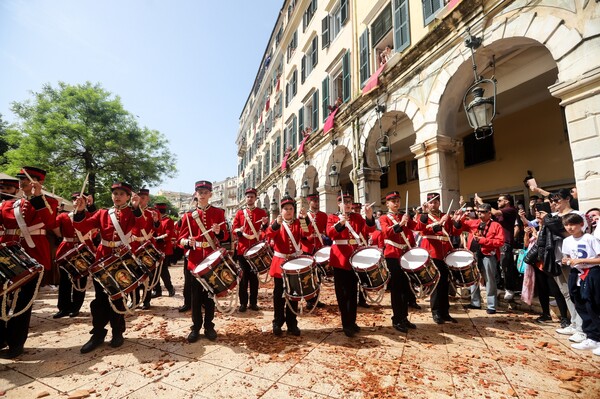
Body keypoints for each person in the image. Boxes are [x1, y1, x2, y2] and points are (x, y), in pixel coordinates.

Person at [73, 182, 144, 354]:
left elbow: (142, 227)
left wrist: (136, 208)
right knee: (100, 300)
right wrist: (80, 211)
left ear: (128, 196)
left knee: (118, 298)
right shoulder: (103, 213)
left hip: (122, 261)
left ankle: (117, 332)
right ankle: (97, 334)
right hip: (103, 259)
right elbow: (82, 226)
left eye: (121, 193)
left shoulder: (132, 213)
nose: (117, 196)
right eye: (115, 193)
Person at [0, 168, 58, 359]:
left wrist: (37, 196)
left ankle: (16, 344)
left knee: (22, 301)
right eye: (20, 179)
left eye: (26, 179)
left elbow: (50, 222)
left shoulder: (48, 202)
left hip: (31, 257)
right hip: (8, 256)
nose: (22, 182)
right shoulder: (7, 204)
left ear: (38, 182)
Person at [178, 180, 229, 343]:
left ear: (210, 194)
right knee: (195, 296)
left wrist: (219, 232)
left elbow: (226, 237)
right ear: (196, 194)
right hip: (195, 259)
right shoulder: (187, 215)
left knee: (210, 295)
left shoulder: (219, 213)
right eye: (200, 192)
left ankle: (209, 326)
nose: (202, 194)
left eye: (205, 192)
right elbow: (180, 239)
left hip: (211, 259)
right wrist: (188, 242)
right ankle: (196, 327)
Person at [327, 192, 376, 337]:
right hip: (340, 258)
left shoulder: (357, 217)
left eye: (349, 202)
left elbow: (369, 230)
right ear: (339, 204)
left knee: (353, 291)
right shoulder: (333, 217)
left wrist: (368, 216)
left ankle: (352, 321)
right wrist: (340, 223)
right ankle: (346, 323)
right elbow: (330, 233)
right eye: (344, 202)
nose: (347, 204)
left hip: (354, 258)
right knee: (342, 293)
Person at [266, 195, 312, 336]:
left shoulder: (298, 222)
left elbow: (307, 233)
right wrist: (276, 225)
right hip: (280, 263)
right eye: (286, 209)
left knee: (294, 295)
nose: (288, 211)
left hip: (294, 263)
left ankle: (292, 323)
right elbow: (268, 235)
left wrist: (305, 219)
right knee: (279, 295)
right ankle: (277, 322)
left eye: (291, 208)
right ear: (281, 210)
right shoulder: (276, 223)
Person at [413, 193, 457, 324]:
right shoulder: (423, 216)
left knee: (445, 283)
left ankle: (445, 312)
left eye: (436, 202)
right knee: (436, 284)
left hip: (445, 253)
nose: (433, 204)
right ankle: (436, 312)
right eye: (431, 202)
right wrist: (438, 224)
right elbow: (420, 229)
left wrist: (457, 221)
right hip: (433, 253)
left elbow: (453, 232)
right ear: (427, 204)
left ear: (439, 203)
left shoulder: (445, 216)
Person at [52, 192, 96, 319]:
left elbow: (95, 222)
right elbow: (52, 225)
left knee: (80, 279)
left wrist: (91, 205)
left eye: (81, 199)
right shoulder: (64, 216)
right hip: (66, 249)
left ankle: (75, 307)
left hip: (83, 248)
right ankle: (63, 308)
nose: (77, 201)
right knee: (64, 281)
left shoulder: (89, 215)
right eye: (75, 199)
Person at [560, 213, 600, 354]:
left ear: (581, 225)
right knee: (579, 302)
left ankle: (598, 336)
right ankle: (591, 336)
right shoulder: (567, 241)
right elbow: (568, 257)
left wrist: (584, 261)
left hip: (591, 272)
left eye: (573, 224)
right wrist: (566, 260)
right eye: (567, 225)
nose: (570, 228)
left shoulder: (590, 239)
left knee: (592, 304)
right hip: (575, 272)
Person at [454, 203, 504, 314]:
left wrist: (483, 241)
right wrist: (459, 218)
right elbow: (460, 227)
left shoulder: (496, 225)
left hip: (488, 254)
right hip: (474, 254)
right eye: (478, 211)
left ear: (489, 213)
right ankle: (475, 302)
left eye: (482, 212)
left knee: (489, 280)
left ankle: (491, 305)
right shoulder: (474, 223)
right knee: (473, 278)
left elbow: (500, 242)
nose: (479, 213)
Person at [379, 191, 418, 332]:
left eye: (398, 200)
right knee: (396, 289)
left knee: (405, 288)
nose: (396, 203)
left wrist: (421, 215)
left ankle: (404, 317)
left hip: (405, 254)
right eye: (393, 201)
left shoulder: (403, 216)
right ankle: (397, 319)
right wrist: (400, 224)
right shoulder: (384, 218)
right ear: (387, 203)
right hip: (392, 255)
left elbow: (416, 228)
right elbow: (386, 233)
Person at [232, 187, 268, 312]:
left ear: (255, 198)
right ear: (245, 198)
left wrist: (265, 224)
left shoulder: (261, 212)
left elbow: (265, 230)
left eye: (252, 196)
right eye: (248, 196)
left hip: (255, 250)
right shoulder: (240, 213)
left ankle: (253, 302)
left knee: (254, 278)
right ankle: (243, 303)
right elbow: (234, 228)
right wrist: (239, 232)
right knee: (243, 278)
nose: (250, 198)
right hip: (242, 250)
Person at [475, 193, 518, 299]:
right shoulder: (498, 215)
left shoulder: (510, 210)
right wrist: (478, 206)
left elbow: (494, 212)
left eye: (500, 200)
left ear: (507, 201)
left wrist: (482, 202)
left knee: (506, 266)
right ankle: (499, 286)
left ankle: (509, 289)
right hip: (495, 243)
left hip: (505, 242)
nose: (498, 202)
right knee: (496, 266)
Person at [130, 188, 161, 310]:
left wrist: (156, 222)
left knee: (148, 274)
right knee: (133, 274)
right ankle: (134, 299)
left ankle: (146, 300)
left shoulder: (152, 212)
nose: (140, 200)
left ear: (147, 198)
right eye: (138, 198)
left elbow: (158, 231)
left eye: (143, 198)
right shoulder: (130, 211)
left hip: (147, 245)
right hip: (133, 245)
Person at [301, 192, 328, 309]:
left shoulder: (323, 216)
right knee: (308, 275)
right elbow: (302, 234)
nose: (316, 203)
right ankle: (309, 299)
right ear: (309, 202)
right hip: (308, 248)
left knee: (318, 275)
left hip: (319, 248)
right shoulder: (303, 216)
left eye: (317, 201)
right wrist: (309, 237)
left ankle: (316, 298)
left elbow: (326, 231)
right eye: (314, 201)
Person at [153, 202, 176, 306]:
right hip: (154, 248)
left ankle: (170, 288)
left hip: (164, 248)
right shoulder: (154, 220)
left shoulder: (168, 220)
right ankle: (157, 290)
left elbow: (169, 234)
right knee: (153, 270)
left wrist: (158, 238)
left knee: (163, 270)